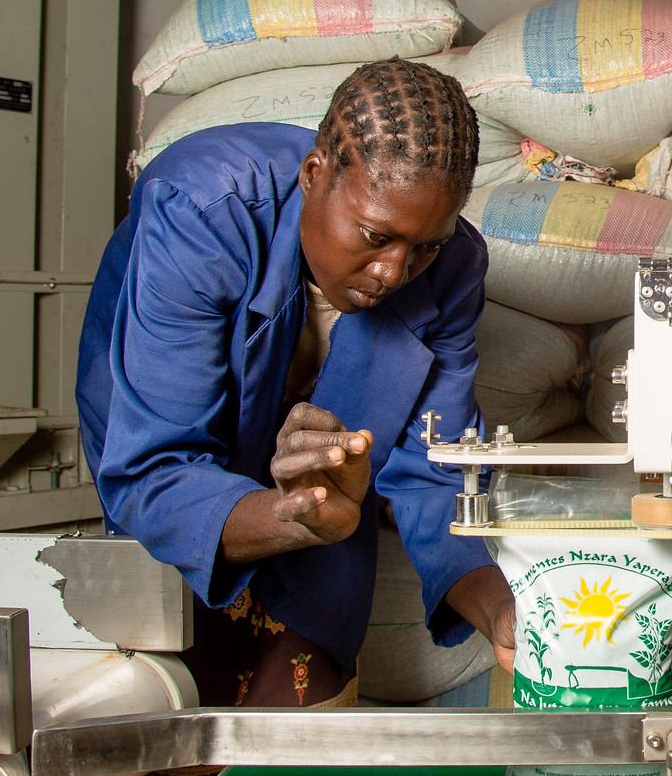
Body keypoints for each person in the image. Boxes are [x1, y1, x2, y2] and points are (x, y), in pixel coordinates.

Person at [76, 58, 514, 709]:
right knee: (160, 695)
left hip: (326, 508)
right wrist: (297, 519)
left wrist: (506, 614)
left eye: (424, 246)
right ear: (313, 175)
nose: (396, 271)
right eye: (376, 235)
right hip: (168, 465)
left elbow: (435, 470)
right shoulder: (202, 211)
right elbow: (155, 471)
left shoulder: (452, 270)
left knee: (304, 721)